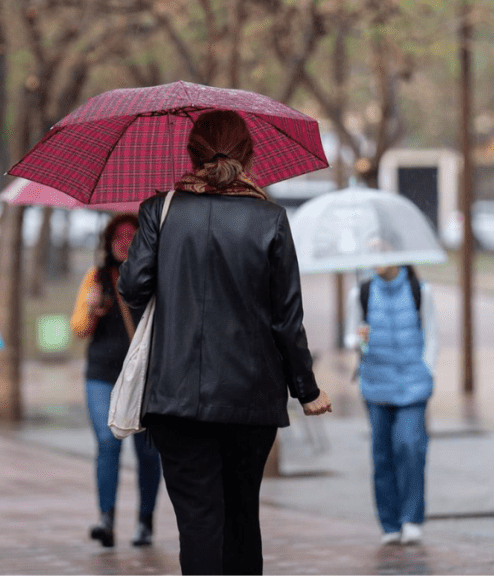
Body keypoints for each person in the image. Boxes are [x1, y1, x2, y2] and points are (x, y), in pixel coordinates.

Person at [118, 109, 332, 575]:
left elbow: (133, 288)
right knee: (241, 520)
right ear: (250, 154)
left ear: (191, 154)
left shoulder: (161, 210)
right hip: (250, 400)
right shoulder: (270, 218)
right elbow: (286, 320)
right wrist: (307, 391)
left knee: (198, 523)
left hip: (174, 398)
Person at [69, 212, 161, 548]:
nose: (124, 243)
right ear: (108, 243)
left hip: (145, 379)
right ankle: (106, 519)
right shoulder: (96, 277)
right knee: (108, 443)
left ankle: (145, 522)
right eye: (118, 237)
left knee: (148, 453)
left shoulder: (156, 277)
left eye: (131, 236)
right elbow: (79, 329)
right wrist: (92, 308)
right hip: (103, 375)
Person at [345, 263, 437, 546]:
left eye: (383, 250)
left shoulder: (421, 291)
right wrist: (359, 340)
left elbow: (431, 334)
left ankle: (411, 518)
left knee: (409, 446)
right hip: (376, 385)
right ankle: (389, 523)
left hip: (413, 384)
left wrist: (427, 368)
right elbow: (352, 337)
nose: (378, 258)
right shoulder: (359, 293)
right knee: (382, 454)